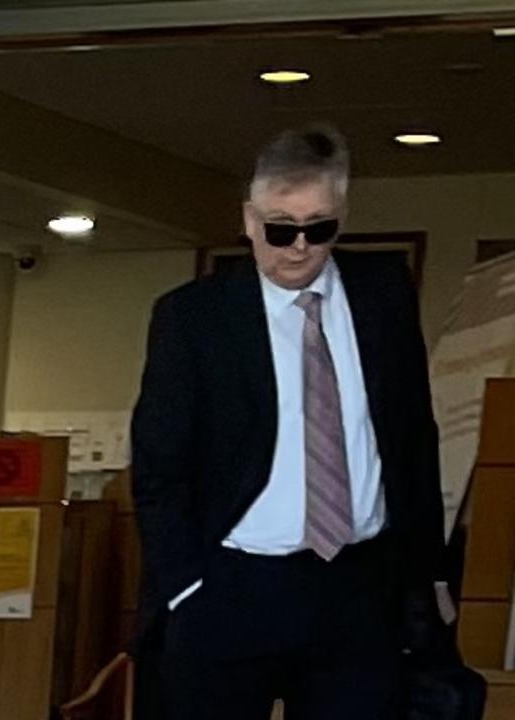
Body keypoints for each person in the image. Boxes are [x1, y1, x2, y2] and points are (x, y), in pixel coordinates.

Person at [130, 125, 449, 719]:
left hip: (358, 587)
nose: (298, 246)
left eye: (318, 227)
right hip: (233, 587)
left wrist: (427, 575)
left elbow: (412, 438)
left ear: (342, 217)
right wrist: (186, 590)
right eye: (280, 227)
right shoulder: (194, 317)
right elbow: (159, 467)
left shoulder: (383, 293)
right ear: (249, 219)